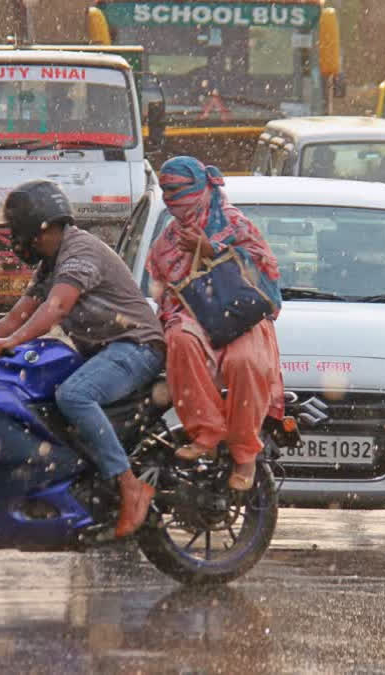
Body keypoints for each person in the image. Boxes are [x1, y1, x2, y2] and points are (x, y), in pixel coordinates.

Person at [0, 179, 166, 538]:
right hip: (110, 351)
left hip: (137, 347)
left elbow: (57, 307)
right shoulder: (51, 264)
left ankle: (130, 486)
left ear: (36, 228)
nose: (14, 240)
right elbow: (15, 317)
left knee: (73, 395)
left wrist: (12, 342)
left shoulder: (79, 253)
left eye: (16, 231)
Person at [146, 156, 284, 491]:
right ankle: (206, 431)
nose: (171, 199)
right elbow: (162, 289)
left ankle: (245, 452)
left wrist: (211, 250)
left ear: (200, 187)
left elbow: (265, 276)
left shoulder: (236, 225)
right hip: (194, 316)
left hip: (241, 316)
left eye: (178, 190)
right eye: (165, 191)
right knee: (179, 340)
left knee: (245, 362)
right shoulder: (167, 241)